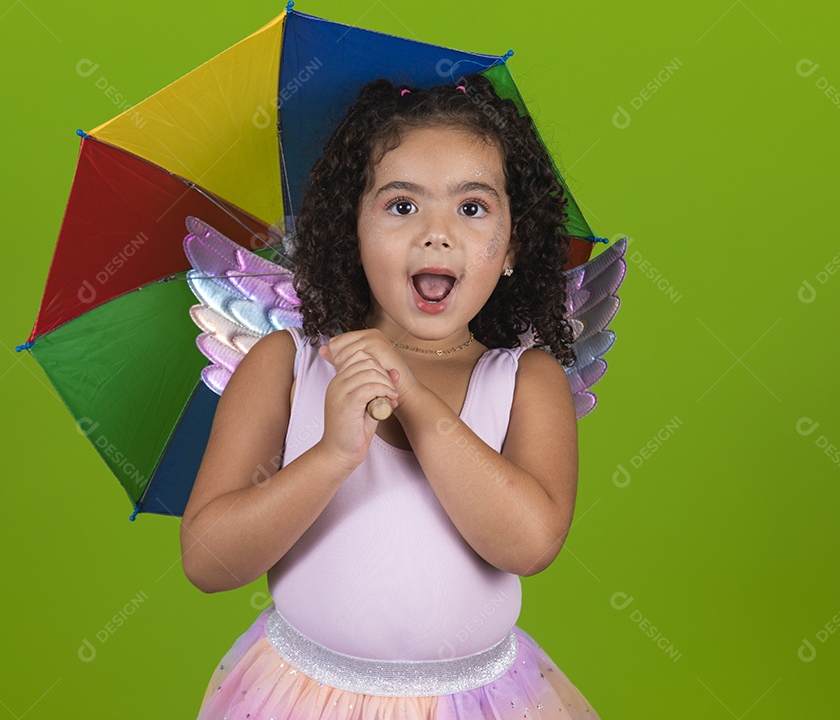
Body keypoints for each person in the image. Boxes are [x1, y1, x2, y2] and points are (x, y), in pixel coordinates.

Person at [180, 72, 601, 720]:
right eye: (402, 206)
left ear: (513, 246)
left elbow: (529, 544)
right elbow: (207, 561)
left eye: (472, 208)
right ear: (352, 231)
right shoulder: (286, 366)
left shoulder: (525, 380)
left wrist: (413, 398)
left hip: (478, 703)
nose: (436, 234)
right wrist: (332, 455)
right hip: (299, 698)